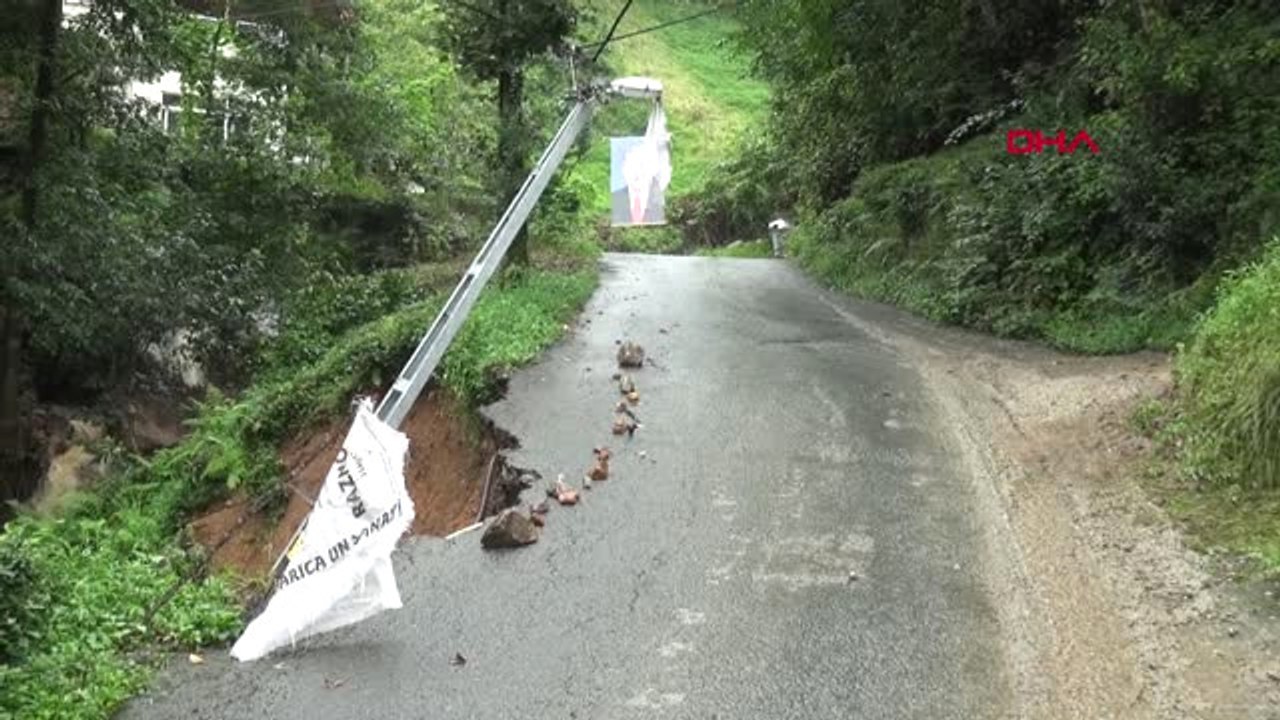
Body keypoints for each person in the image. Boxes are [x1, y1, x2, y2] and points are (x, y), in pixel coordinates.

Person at [612, 142, 665, 225]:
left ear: (652, 170)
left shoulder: (660, 200)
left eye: (642, 166)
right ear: (624, 170)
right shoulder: (615, 198)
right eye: (632, 166)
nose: (637, 173)